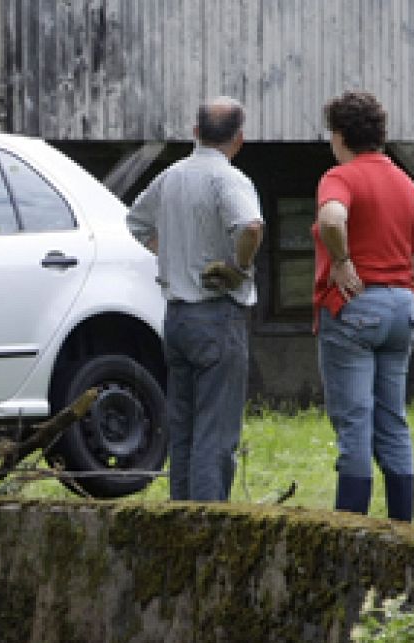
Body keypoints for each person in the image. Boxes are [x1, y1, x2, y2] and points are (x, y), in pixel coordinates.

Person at [126, 96, 264, 502]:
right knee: (215, 433)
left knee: (182, 429)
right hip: (218, 315)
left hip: (177, 317)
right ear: (239, 139)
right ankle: (210, 527)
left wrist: (170, 253)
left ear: (195, 132)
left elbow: (135, 223)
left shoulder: (170, 176)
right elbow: (251, 226)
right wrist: (238, 267)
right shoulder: (229, 179)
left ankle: (180, 521)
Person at [313, 91, 414, 522]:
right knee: (392, 420)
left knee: (355, 422)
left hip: (356, 306)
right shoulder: (407, 184)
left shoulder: (340, 177)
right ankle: (403, 529)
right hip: (401, 306)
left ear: (340, 135)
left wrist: (342, 262)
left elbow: (331, 219)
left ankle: (352, 529)